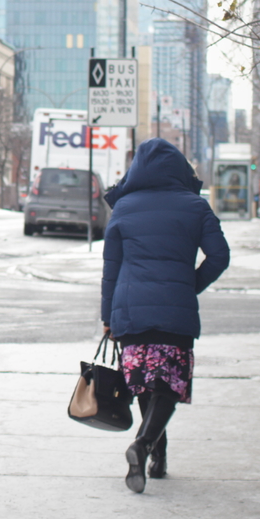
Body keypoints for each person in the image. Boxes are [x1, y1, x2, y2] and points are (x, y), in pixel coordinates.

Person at [100, 138, 229, 494]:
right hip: (176, 310)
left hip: (130, 310)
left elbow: (111, 268)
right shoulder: (195, 207)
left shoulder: (124, 207)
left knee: (144, 381)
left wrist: (108, 315)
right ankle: (145, 447)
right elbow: (220, 257)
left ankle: (155, 454)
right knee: (168, 384)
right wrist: (189, 285)